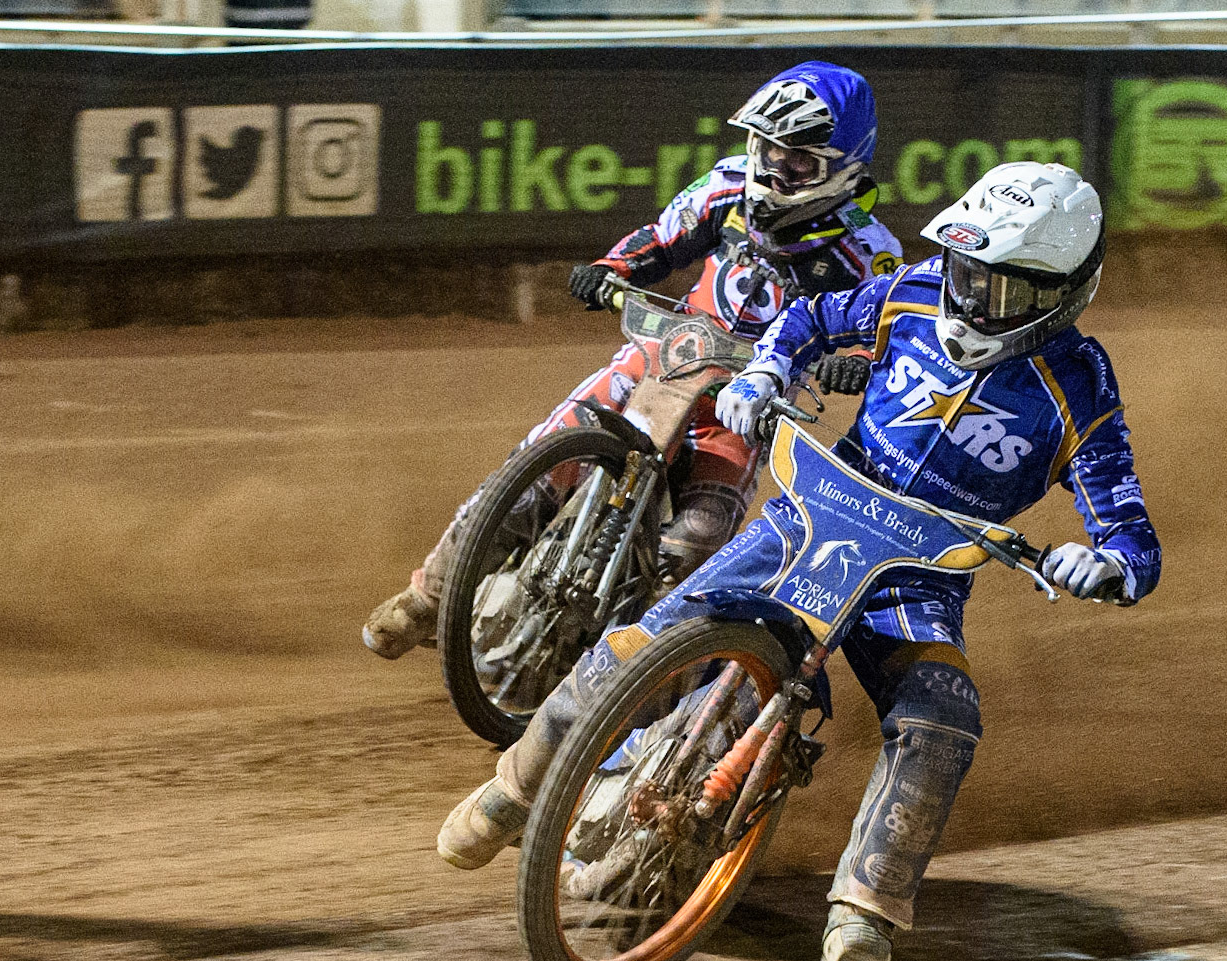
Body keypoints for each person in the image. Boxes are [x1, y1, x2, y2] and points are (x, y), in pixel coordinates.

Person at [436, 161, 1161, 961]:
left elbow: (1130, 531)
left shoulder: (1082, 383)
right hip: (814, 514)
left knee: (942, 717)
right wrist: (764, 374)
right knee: (650, 634)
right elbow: (810, 319)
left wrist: (1105, 563)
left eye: (998, 286)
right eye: (966, 270)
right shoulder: (914, 290)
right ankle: (513, 788)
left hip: (917, 580)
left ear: (1061, 293)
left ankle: (863, 918)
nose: (969, 296)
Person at [362, 61, 901, 658]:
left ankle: (629, 673)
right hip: (662, 356)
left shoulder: (867, 251)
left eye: (800, 161)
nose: (776, 170)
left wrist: (852, 359)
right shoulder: (726, 188)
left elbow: (878, 329)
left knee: (696, 541)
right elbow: (663, 237)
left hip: (748, 404)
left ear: (847, 165)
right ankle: (429, 600)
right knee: (533, 472)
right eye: (768, 150)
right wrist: (611, 270)